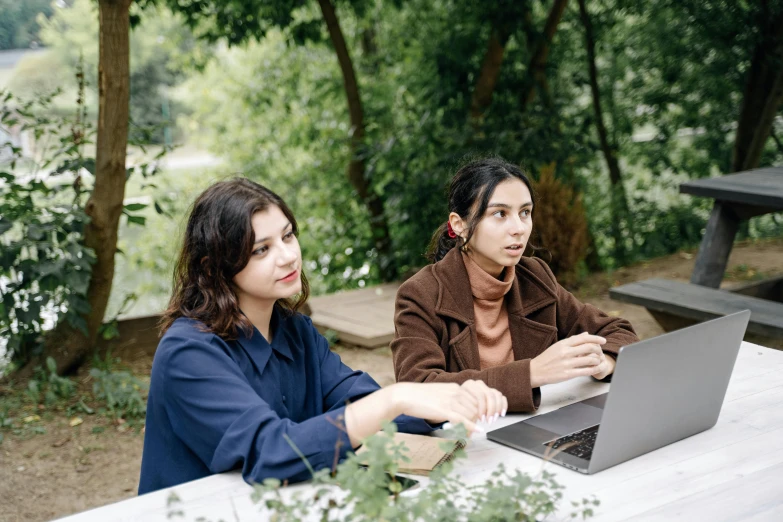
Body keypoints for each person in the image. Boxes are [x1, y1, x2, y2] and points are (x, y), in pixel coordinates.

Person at [138, 178, 507, 494]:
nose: (287, 256)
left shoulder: (295, 331)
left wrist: (444, 401)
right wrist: (395, 399)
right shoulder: (188, 352)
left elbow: (362, 405)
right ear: (214, 266)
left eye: (288, 236)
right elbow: (271, 452)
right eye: (261, 249)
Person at [392, 158, 639, 414]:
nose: (519, 228)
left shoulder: (535, 276)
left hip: (537, 425)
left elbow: (617, 331)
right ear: (459, 224)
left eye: (525, 212)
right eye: (500, 214)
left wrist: (605, 362)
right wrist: (531, 374)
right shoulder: (420, 294)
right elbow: (416, 389)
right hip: (463, 438)